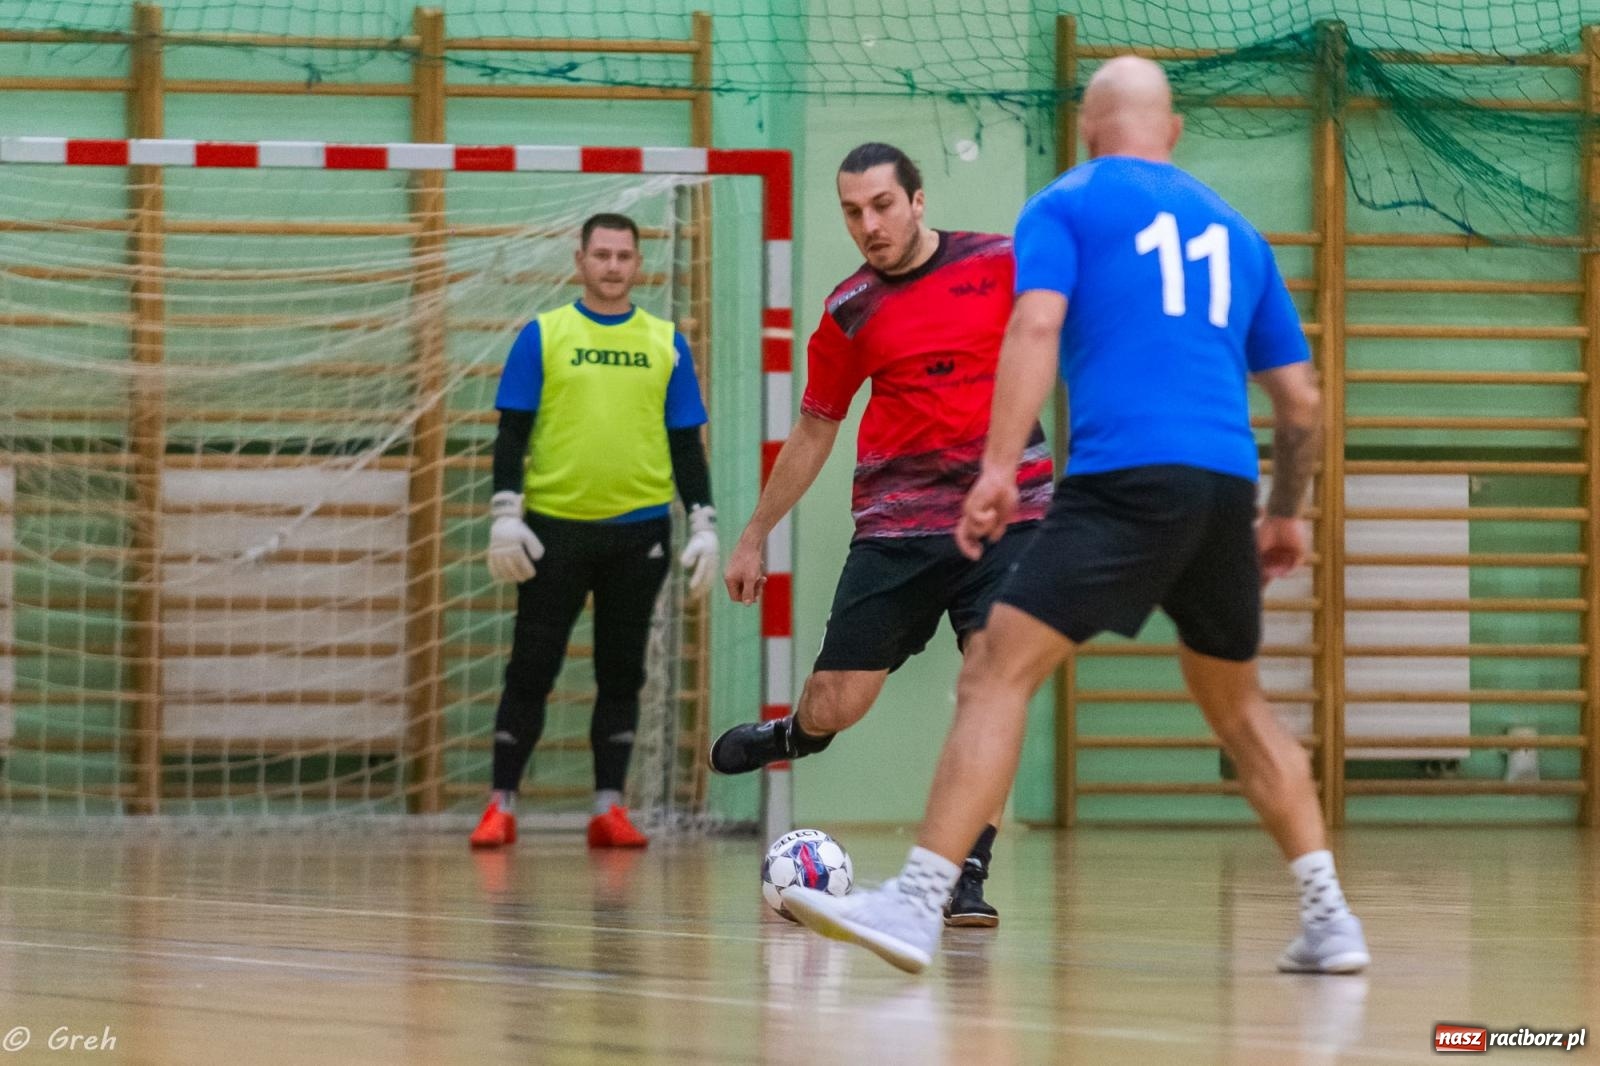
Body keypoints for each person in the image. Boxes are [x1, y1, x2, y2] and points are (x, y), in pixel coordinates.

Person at [781, 57, 1370, 976]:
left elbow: (1035, 328)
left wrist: (997, 469)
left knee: (995, 674)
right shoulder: (1239, 233)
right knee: (1242, 707)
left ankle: (919, 900)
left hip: (1123, 481)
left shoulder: (1068, 203)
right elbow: (1300, 402)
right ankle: (1330, 917)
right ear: (1171, 132)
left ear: (1090, 132)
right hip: (1222, 487)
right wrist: (1286, 514)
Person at [713, 143, 1053, 926]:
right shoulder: (848, 309)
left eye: (883, 205)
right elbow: (812, 429)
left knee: (991, 686)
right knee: (841, 702)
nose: (869, 224)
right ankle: (796, 733)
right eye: (852, 211)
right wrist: (754, 535)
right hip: (898, 532)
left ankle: (966, 872)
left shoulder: (1002, 263)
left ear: (919, 200)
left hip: (1013, 515)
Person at [469, 212, 720, 851]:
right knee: (531, 668)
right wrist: (505, 513)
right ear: (579, 260)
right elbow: (512, 433)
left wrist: (704, 522)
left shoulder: (665, 342)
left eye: (624, 256)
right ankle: (501, 806)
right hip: (554, 533)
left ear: (639, 264)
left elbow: (686, 442)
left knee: (621, 672)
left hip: (639, 535)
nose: (613, 266)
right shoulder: (543, 335)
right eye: (601, 255)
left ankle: (609, 809)